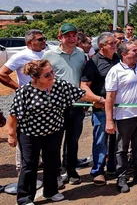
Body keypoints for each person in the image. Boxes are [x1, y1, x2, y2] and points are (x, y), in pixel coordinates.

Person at [7, 60, 98, 204]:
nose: (52, 76)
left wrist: (100, 100)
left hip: (53, 131)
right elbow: (13, 115)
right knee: (30, 165)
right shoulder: (24, 92)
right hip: (30, 134)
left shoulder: (60, 86)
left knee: (52, 163)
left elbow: (81, 94)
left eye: (52, 72)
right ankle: (25, 198)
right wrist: (11, 135)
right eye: (47, 74)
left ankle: (51, 191)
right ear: (35, 78)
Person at [105, 42, 137, 193]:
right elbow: (110, 97)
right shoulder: (115, 71)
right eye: (134, 50)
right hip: (124, 117)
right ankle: (122, 177)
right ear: (124, 54)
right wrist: (109, 120)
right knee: (122, 148)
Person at [42, 23, 89, 185]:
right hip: (56, 107)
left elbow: (83, 78)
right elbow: (42, 79)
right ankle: (55, 174)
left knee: (72, 140)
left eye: (74, 35)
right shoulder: (49, 55)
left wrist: (86, 101)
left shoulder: (81, 53)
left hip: (76, 105)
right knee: (54, 141)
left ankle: (70, 170)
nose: (71, 38)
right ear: (59, 38)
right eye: (67, 35)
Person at [0, 29, 47, 173]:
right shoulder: (21, 56)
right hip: (29, 101)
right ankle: (22, 168)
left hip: (48, 100)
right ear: (29, 42)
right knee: (26, 134)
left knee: (46, 132)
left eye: (44, 38)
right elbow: (2, 73)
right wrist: (19, 88)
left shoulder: (49, 52)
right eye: (40, 39)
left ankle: (40, 162)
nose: (44, 41)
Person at [81, 32, 119, 186]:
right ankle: (98, 171)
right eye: (111, 43)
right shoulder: (93, 63)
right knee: (100, 140)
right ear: (102, 46)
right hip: (101, 108)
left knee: (116, 140)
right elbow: (83, 86)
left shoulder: (118, 59)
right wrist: (97, 99)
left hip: (119, 107)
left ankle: (112, 167)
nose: (115, 45)